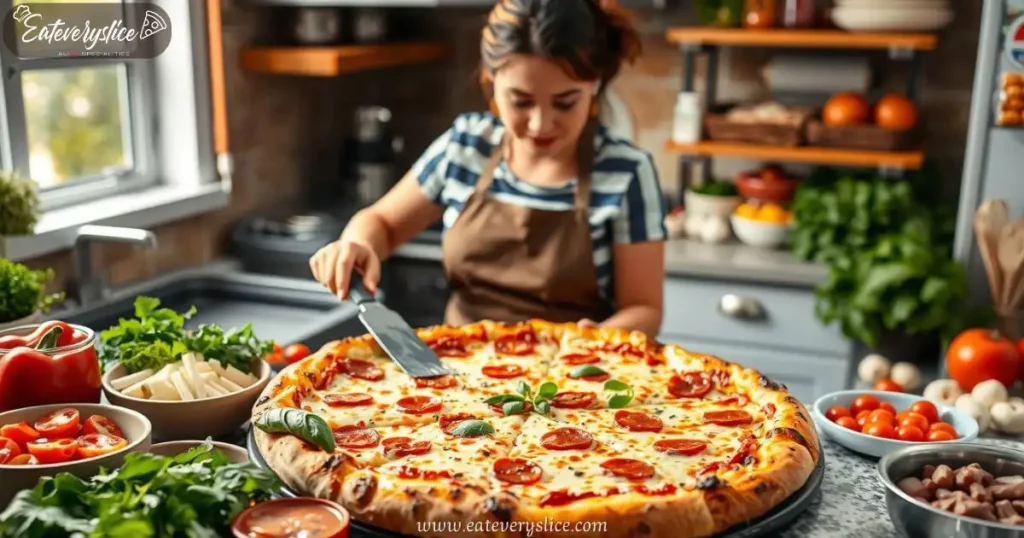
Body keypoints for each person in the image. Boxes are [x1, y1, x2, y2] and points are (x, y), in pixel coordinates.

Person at [310, 0, 667, 336]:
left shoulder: (627, 172)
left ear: (595, 85)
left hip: (574, 383)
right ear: (491, 79)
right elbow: (383, 224)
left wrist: (598, 341)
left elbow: (644, 308)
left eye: (565, 102)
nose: (541, 124)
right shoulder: (467, 146)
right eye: (521, 101)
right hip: (457, 372)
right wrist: (356, 244)